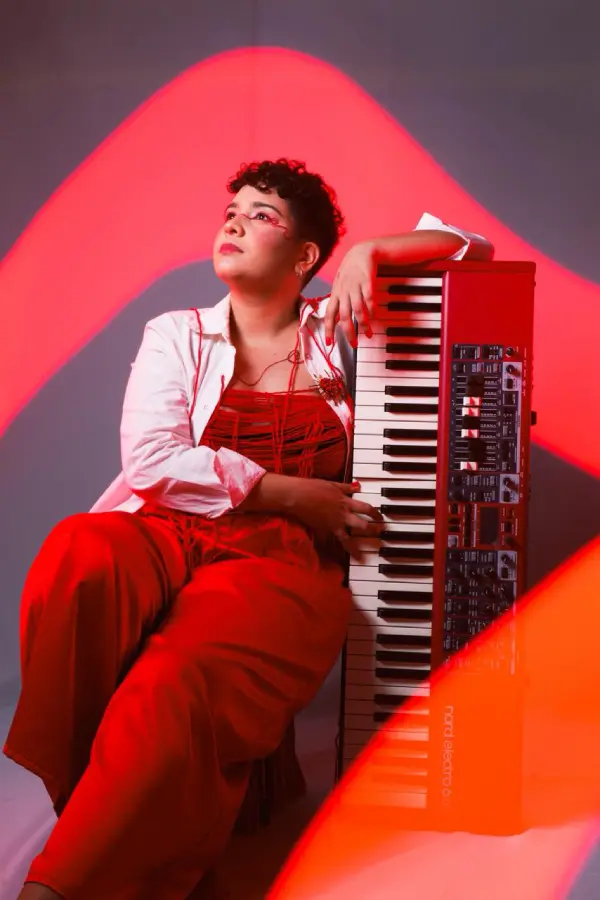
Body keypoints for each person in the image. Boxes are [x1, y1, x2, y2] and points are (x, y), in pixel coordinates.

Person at [4, 158, 492, 900]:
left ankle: (65, 881)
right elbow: (152, 462)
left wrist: (371, 252)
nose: (233, 222)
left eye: (261, 215)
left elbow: (471, 249)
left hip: (275, 560)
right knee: (79, 549)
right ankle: (100, 815)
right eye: (231, 210)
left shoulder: (339, 327)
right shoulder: (177, 333)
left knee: (172, 682)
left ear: (304, 256)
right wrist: (293, 492)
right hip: (167, 531)